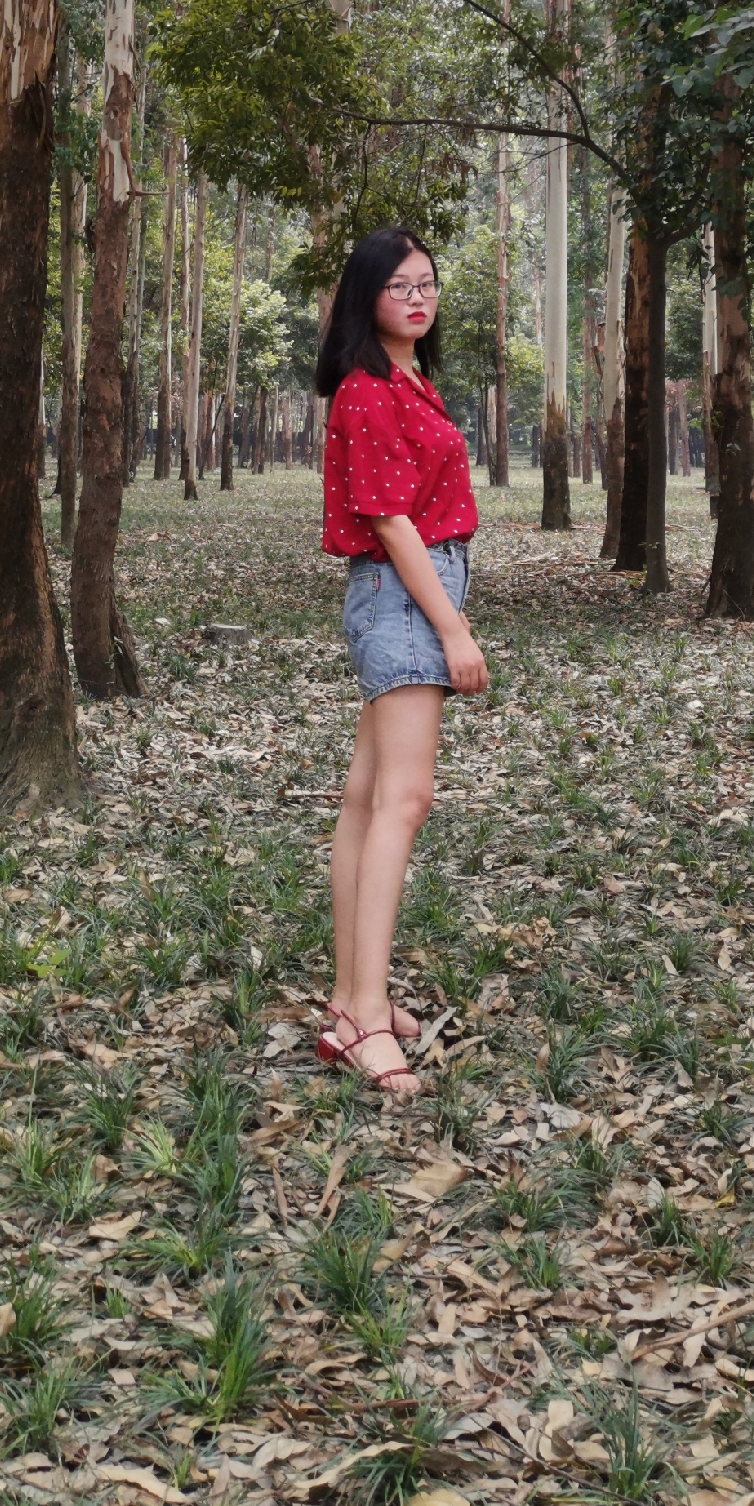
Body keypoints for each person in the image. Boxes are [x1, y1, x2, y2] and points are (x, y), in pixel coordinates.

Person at [316, 226, 488, 1100]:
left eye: (426, 284)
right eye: (398, 286)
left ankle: (351, 996)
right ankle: (368, 1023)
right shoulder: (367, 389)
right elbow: (388, 520)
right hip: (403, 592)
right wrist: (453, 629)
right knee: (404, 800)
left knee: (366, 799)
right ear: (365, 297)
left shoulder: (413, 379)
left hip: (407, 588)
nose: (417, 298)